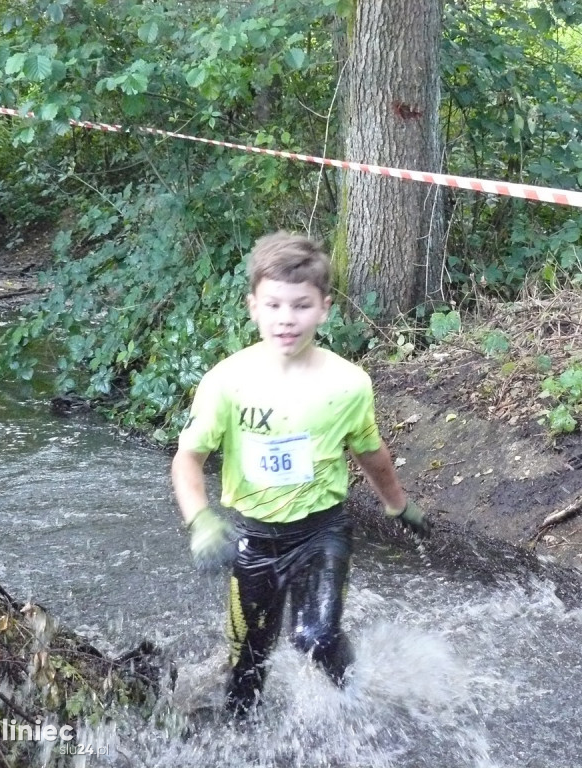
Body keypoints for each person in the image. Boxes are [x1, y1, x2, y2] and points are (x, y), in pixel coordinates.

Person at [170, 231, 431, 718]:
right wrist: (200, 520)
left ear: (324, 308)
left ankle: (354, 708)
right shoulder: (226, 382)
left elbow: (370, 452)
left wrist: (397, 503)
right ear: (253, 307)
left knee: (316, 637)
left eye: (300, 305)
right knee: (247, 665)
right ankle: (240, 740)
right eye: (273, 305)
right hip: (253, 538)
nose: (286, 318)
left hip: (322, 531)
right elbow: (188, 459)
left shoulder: (349, 383)